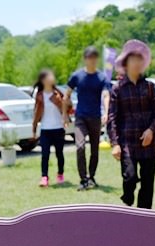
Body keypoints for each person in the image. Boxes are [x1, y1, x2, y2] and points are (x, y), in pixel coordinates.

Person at [108, 39, 155, 210]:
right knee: (130, 177)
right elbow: (112, 118)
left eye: (141, 59)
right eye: (134, 59)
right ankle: (127, 200)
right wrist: (115, 144)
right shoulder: (117, 89)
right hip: (127, 142)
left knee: (147, 185)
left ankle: (145, 219)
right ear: (126, 63)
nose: (138, 63)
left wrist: (151, 130)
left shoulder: (149, 87)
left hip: (150, 142)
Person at [64, 46, 111, 191]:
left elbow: (105, 95)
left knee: (94, 150)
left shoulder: (102, 77)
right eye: (89, 57)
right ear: (85, 59)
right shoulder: (77, 76)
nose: (92, 60)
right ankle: (83, 179)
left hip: (96, 117)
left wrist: (106, 112)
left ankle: (92, 177)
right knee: (80, 147)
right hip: (81, 118)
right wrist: (65, 114)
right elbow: (66, 95)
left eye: (95, 58)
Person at [31, 69, 66, 188]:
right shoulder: (40, 95)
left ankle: (60, 174)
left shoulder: (58, 94)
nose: (52, 78)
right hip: (45, 129)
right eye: (49, 76)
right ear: (43, 80)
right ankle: (44, 177)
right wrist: (34, 129)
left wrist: (65, 118)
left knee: (59, 154)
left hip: (58, 128)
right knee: (44, 154)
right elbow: (36, 112)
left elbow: (67, 108)